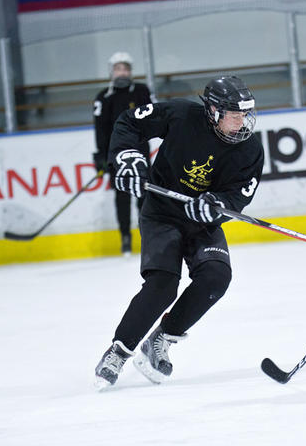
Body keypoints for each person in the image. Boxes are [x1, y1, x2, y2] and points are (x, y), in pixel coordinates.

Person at [94, 75, 264, 390]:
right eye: (235, 115)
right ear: (213, 111)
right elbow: (128, 123)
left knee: (216, 277)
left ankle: (162, 339)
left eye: (246, 114)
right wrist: (127, 158)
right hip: (162, 211)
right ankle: (119, 350)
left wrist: (218, 204)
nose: (243, 122)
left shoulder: (250, 147)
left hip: (202, 221)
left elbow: (240, 193)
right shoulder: (182, 114)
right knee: (162, 284)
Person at [92, 52, 154, 255]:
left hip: (140, 152)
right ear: (112, 71)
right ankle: (125, 237)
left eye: (126, 68)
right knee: (122, 196)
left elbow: (154, 117)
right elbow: (100, 129)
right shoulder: (103, 98)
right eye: (118, 68)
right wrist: (101, 155)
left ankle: (147, 234)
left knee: (144, 195)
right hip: (116, 155)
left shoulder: (142, 91)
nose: (122, 72)